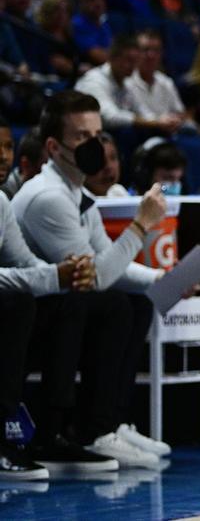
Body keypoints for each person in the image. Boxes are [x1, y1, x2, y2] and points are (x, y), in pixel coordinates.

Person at [12, 90, 172, 469]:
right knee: (111, 303)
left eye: (98, 135)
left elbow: (107, 264)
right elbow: (98, 277)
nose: (95, 145)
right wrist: (140, 226)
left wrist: (161, 278)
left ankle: (107, 422)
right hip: (24, 319)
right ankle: (88, 429)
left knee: (138, 301)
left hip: (59, 310)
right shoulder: (48, 197)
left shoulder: (77, 193)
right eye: (82, 137)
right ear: (53, 146)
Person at [0, 115, 96, 480]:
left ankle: (55, 431)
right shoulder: (46, 197)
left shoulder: (1, 202)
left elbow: (25, 263)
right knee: (18, 302)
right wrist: (56, 275)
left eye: (8, 146)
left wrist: (68, 275)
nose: (2, 155)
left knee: (76, 302)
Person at [75, 34, 182, 135]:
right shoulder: (94, 80)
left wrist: (163, 121)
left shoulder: (126, 82)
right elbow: (109, 117)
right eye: (128, 60)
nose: (132, 66)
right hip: (83, 134)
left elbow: (142, 111)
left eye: (135, 61)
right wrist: (155, 123)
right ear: (112, 58)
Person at [127, 29, 187, 125]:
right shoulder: (126, 81)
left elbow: (181, 113)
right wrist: (158, 122)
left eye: (156, 50)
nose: (151, 55)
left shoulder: (166, 82)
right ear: (135, 52)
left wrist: (174, 119)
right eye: (145, 50)